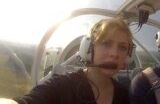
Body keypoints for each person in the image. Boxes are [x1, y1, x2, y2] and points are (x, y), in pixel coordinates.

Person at [0, 18, 133, 104]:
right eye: (106, 43)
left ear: (128, 56)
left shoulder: (126, 95)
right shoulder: (62, 86)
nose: (115, 54)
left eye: (122, 47)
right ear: (88, 48)